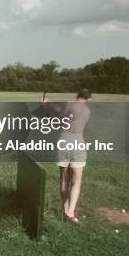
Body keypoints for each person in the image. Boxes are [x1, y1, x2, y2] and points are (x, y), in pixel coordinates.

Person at [44, 89, 92, 224]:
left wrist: (45, 107)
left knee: (64, 180)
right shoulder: (88, 111)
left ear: (77, 95)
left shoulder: (70, 103)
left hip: (64, 142)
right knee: (76, 181)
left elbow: (58, 119)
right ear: (88, 99)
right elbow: (66, 113)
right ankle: (70, 213)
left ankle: (65, 211)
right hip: (79, 144)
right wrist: (50, 105)